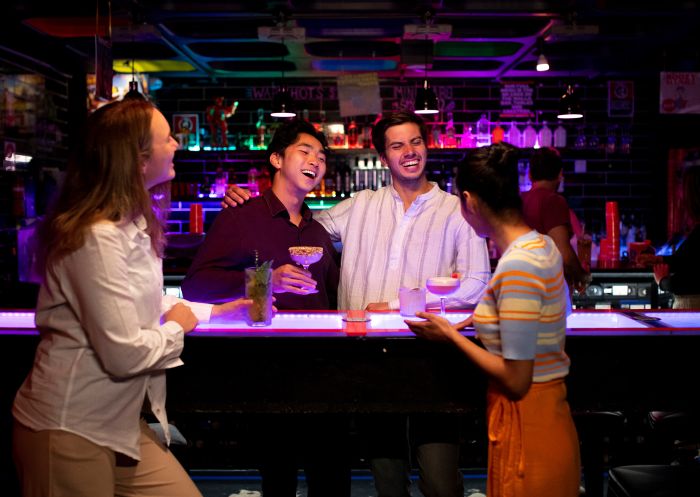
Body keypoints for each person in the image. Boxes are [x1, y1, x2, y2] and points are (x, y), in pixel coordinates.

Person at [224, 111, 491, 497]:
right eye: (397, 145)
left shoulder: (456, 210)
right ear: (384, 157)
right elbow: (297, 226)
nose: (409, 152)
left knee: (439, 479)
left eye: (415, 142)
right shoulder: (360, 205)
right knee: (386, 479)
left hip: (433, 361)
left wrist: (407, 303)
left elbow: (478, 284)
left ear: (427, 148)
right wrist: (248, 202)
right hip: (371, 362)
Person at [12, 98, 254, 497]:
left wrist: (218, 311)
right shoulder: (96, 236)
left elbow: (148, 300)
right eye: (167, 138)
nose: (177, 144)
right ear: (139, 160)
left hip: (118, 422)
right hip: (69, 425)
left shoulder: (132, 225)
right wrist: (179, 326)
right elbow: (124, 353)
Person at [182, 119, 348, 497]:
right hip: (270, 369)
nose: (315, 161)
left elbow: (335, 295)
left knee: (332, 476)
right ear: (276, 159)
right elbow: (196, 285)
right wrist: (264, 278)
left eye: (321, 157)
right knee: (280, 477)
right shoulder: (242, 216)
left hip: (325, 371)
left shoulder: (317, 228)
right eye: (304, 152)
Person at [406, 142, 581, 497]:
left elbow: (517, 379)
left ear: (469, 201)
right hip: (546, 420)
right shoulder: (541, 245)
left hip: (528, 430)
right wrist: (471, 321)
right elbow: (537, 313)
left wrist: (450, 336)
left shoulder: (518, 266)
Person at [522, 147, 589, 292]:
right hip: (547, 291)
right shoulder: (553, 201)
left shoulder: (519, 201)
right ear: (560, 175)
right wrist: (583, 279)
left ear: (530, 175)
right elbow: (564, 253)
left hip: (520, 286)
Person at [651, 162, 700, 308]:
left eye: (681, 187)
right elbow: (689, 261)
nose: (679, 194)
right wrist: (659, 259)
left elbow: (688, 281)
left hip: (693, 307)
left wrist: (662, 281)